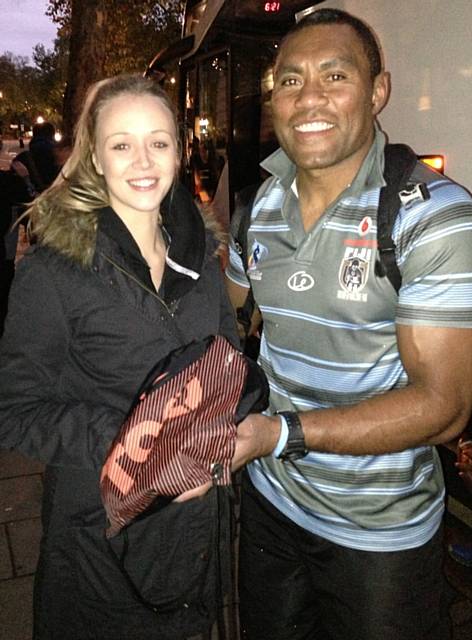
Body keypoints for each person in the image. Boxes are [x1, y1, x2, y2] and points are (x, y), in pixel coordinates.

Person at [226, 8, 472, 640]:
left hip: (380, 535)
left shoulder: (434, 218)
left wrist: (278, 434)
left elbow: (444, 408)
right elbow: (216, 314)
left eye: (335, 76)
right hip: (270, 507)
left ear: (378, 91)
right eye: (290, 80)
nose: (309, 97)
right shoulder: (257, 206)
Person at [0, 73, 239, 640]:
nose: (143, 160)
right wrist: (145, 443)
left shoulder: (202, 254)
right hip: (99, 543)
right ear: (95, 159)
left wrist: (228, 430)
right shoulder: (54, 271)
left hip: (197, 537)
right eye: (121, 144)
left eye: (158, 142)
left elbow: (224, 359)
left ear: (179, 153)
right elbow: (14, 409)